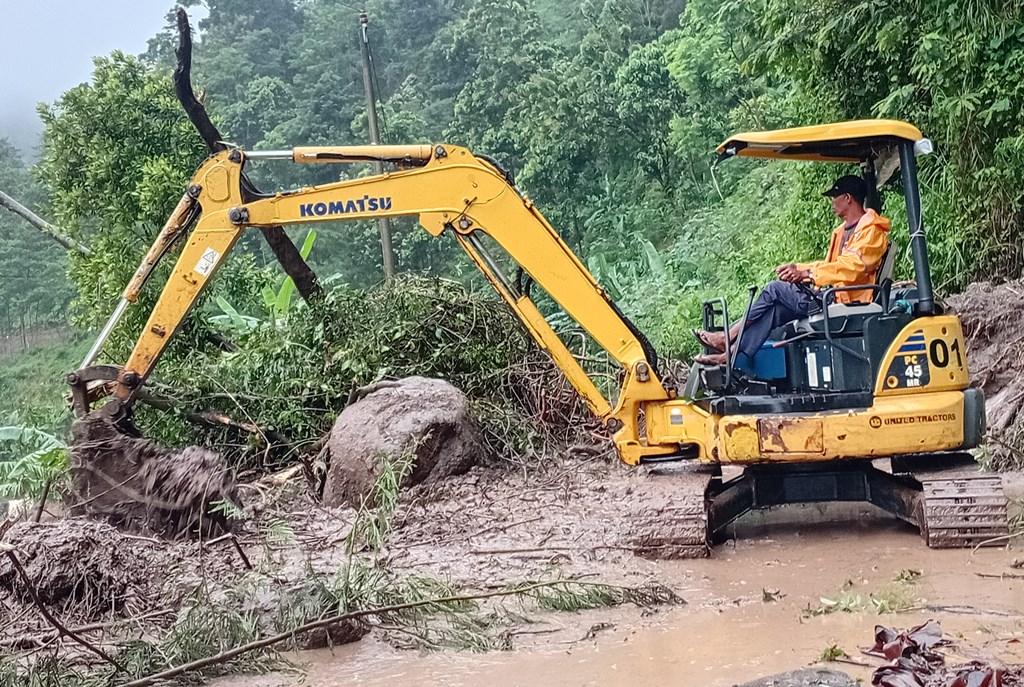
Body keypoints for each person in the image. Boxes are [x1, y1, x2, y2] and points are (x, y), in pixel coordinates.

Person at [693, 175, 891, 366]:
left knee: (775, 289)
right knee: (776, 310)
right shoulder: (843, 231)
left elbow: (852, 267)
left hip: (847, 300)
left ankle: (728, 336)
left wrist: (808, 274)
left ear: (847, 198)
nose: (832, 202)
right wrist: (798, 268)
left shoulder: (871, 231)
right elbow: (831, 265)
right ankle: (731, 354)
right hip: (830, 295)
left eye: (835, 196)